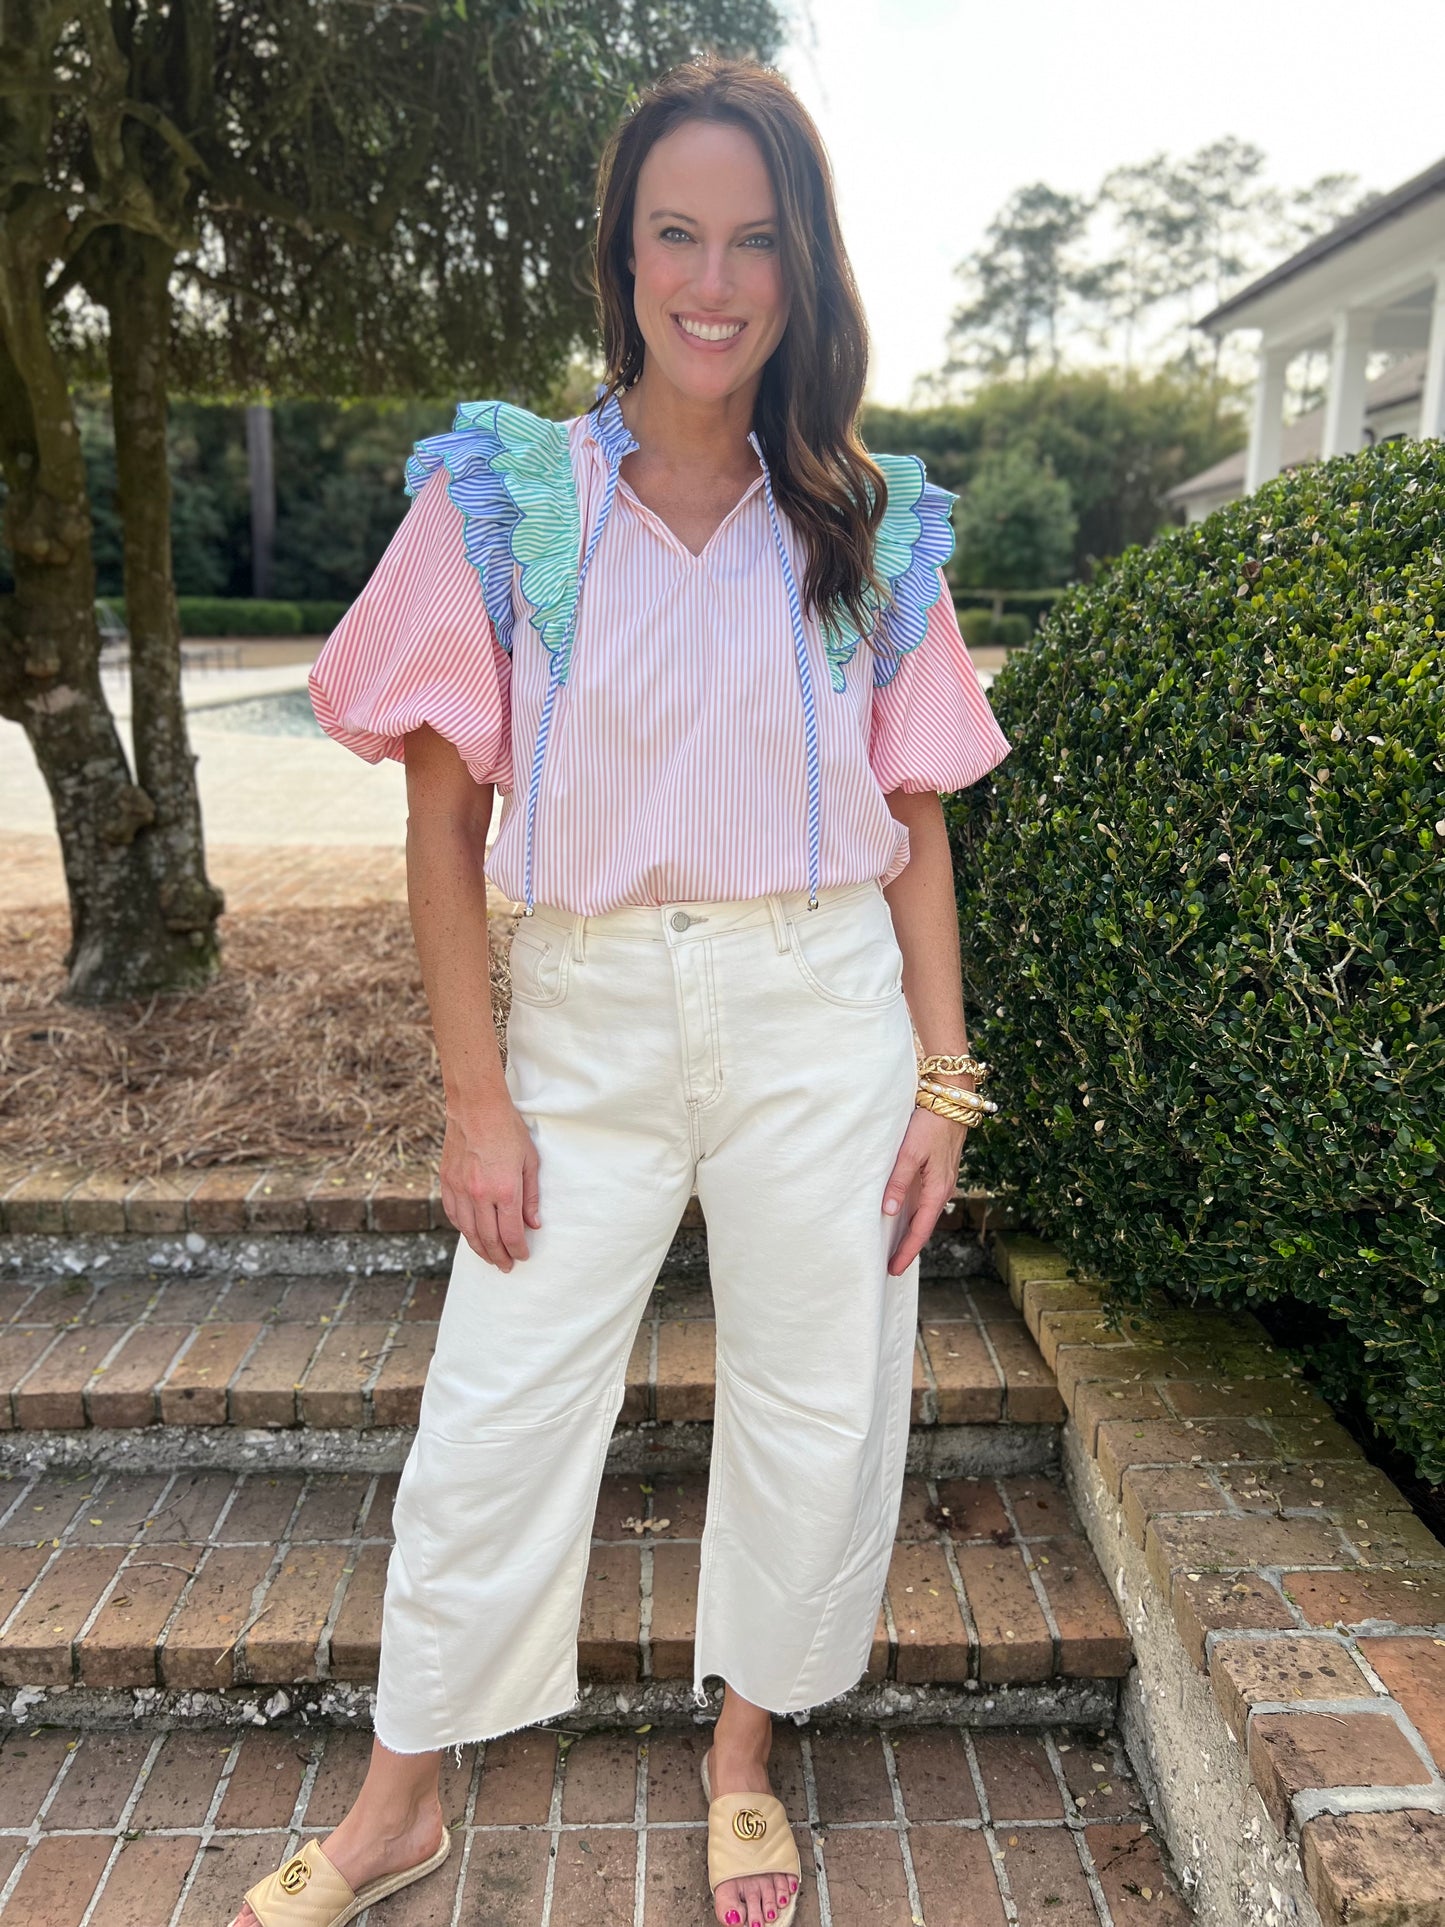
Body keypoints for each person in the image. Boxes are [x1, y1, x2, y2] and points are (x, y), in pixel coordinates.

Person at [231, 52, 1009, 1927]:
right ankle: (399, 1802)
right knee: (495, 1410)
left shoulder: (870, 522)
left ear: (801, 266)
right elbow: (441, 832)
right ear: (623, 255)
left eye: (754, 238)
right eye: (677, 233)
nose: (714, 279)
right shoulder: (509, 498)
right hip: (579, 1020)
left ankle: (741, 1751)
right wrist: (474, 1100)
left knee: (822, 1399)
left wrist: (945, 1078)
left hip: (823, 1015)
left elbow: (912, 819)